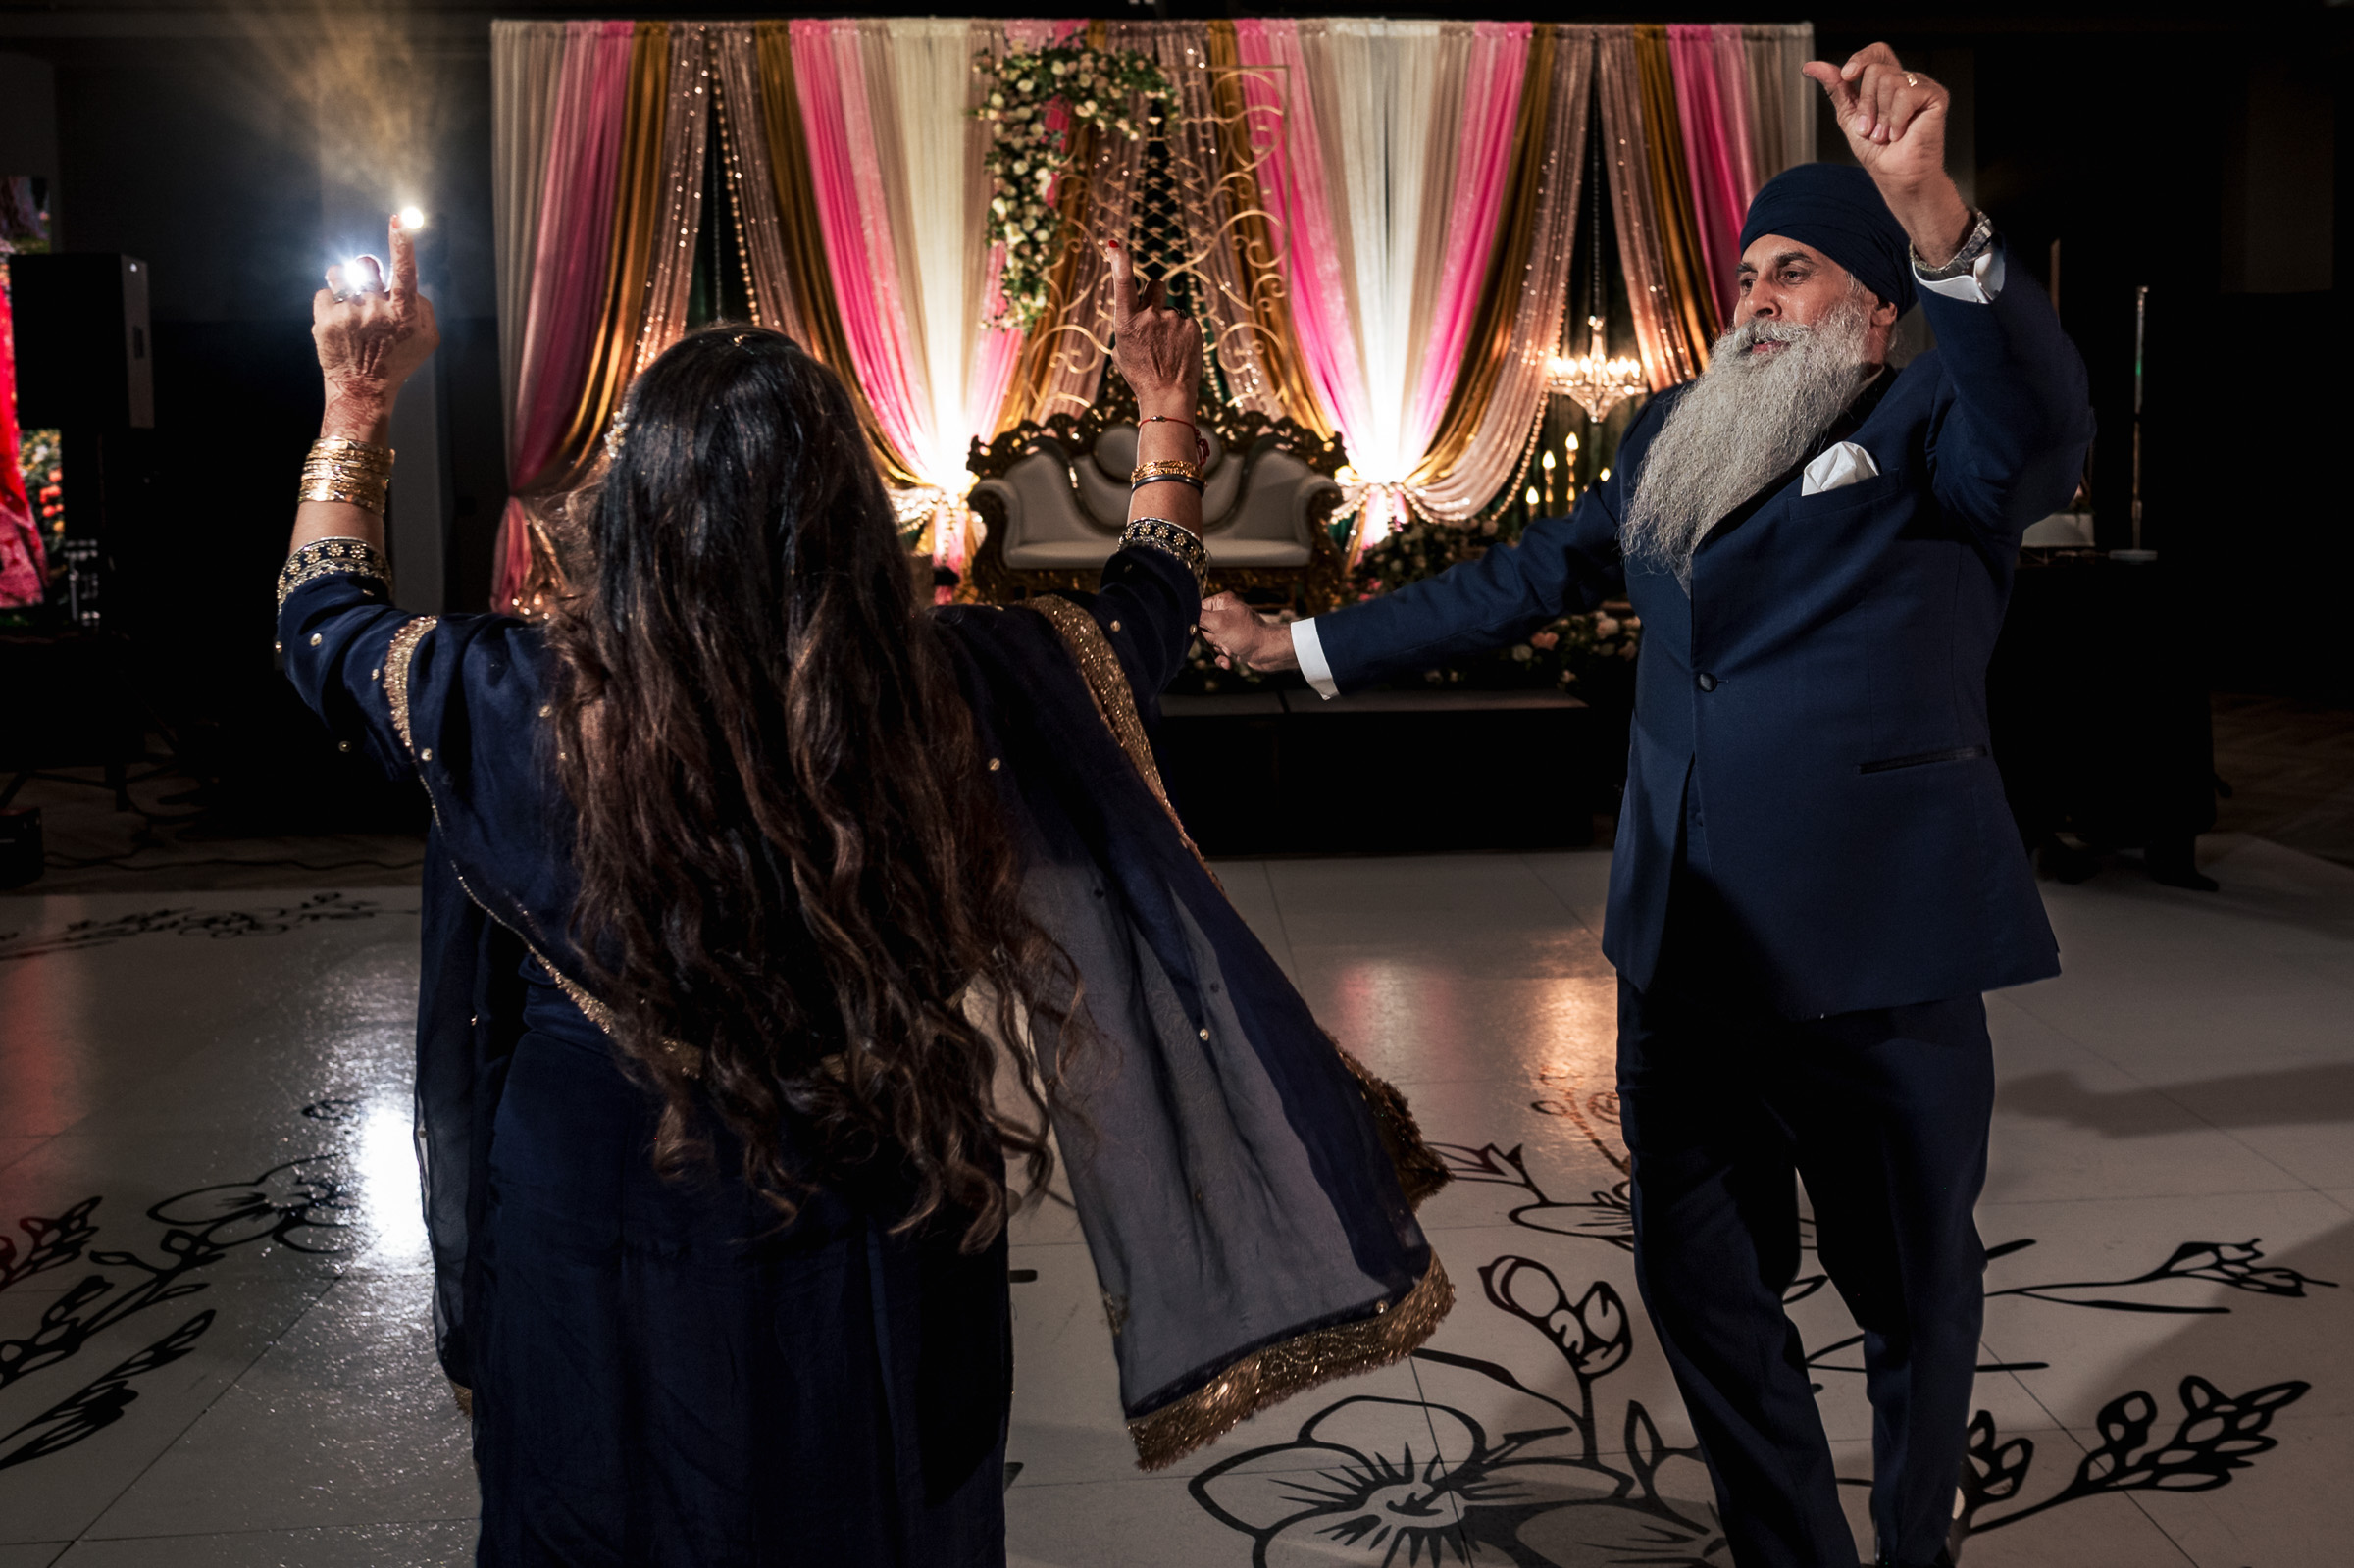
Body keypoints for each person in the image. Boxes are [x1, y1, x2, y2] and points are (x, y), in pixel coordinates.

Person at [280, 227, 1449, 1567]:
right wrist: (1168, 410)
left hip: (599, 1196)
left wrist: (355, 405)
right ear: (846, 503)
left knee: (606, 1496)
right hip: (882, 1174)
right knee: (873, 1489)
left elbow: (322, 626)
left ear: (635, 508)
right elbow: (1156, 598)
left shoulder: (509, 699)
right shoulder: (963, 692)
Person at [1202, 43, 2091, 1568]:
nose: (1754, 298)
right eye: (1745, 271)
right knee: (1706, 1293)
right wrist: (1302, 644)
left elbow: (2044, 411)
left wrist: (1932, 206)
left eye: (1796, 272)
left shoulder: (1944, 431)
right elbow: (1523, 579)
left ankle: (1913, 1544)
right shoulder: (1671, 437)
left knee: (1913, 1296)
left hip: (1879, 964)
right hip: (1685, 953)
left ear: (1879, 309)